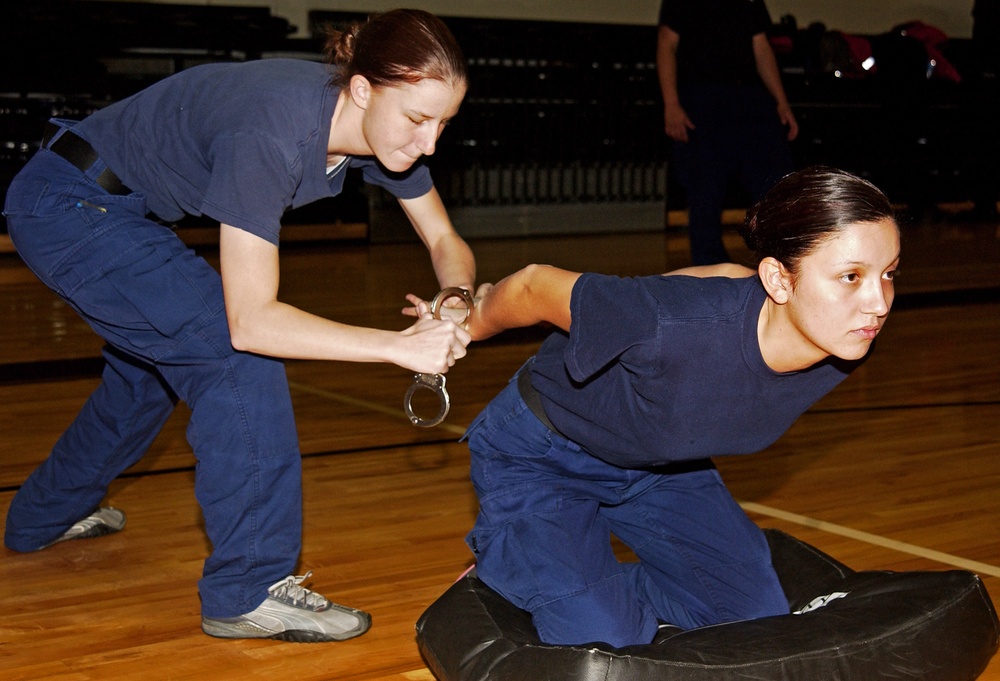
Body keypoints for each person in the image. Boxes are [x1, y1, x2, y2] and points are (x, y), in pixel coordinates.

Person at [3, 9, 476, 643]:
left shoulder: (378, 133)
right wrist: (397, 348)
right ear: (362, 89)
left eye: (443, 123)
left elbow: (445, 239)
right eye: (417, 120)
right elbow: (250, 323)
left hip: (115, 211)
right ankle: (247, 589)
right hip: (69, 207)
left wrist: (453, 299)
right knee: (233, 360)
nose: (429, 144)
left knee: (148, 380)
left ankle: (40, 517)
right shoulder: (274, 128)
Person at [433, 166, 899, 648]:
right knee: (610, 640)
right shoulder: (669, 326)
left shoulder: (843, 341)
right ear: (778, 281)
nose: (878, 303)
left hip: (661, 466)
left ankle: (573, 582)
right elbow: (532, 286)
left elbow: (718, 277)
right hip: (542, 454)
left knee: (753, 618)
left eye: (888, 274)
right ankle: (516, 572)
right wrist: (464, 323)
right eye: (850, 277)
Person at [657, 0, 800, 265]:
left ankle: (784, 261)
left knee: (778, 184)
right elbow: (666, 42)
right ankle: (709, 272)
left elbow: (760, 46)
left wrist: (780, 100)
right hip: (703, 97)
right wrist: (671, 104)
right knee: (705, 190)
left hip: (749, 96)